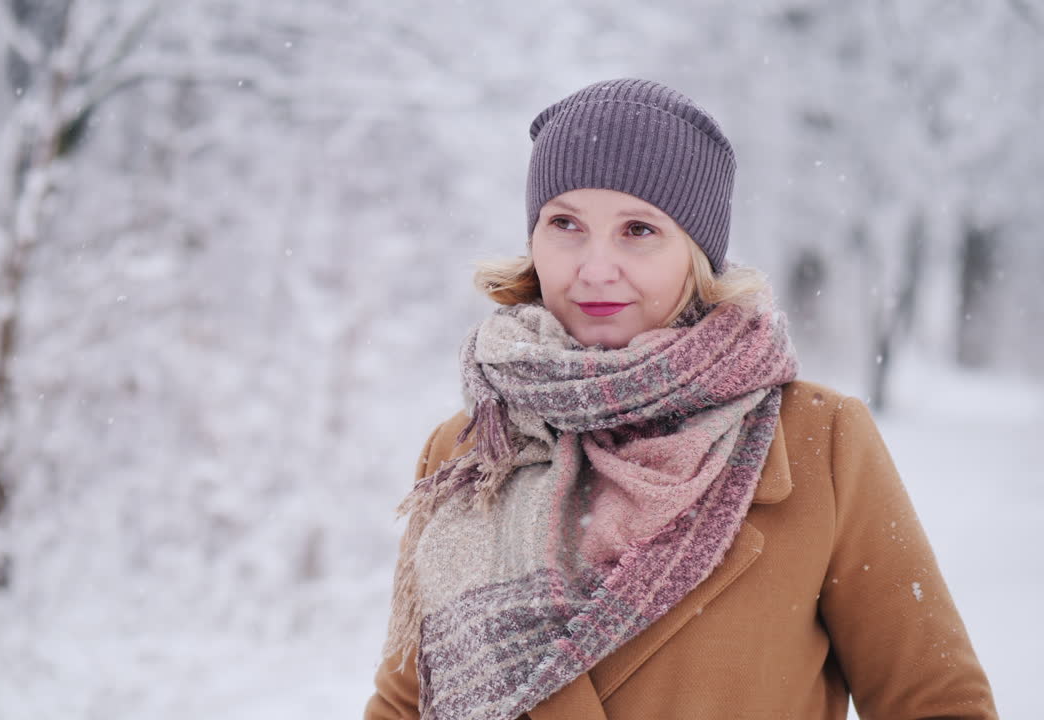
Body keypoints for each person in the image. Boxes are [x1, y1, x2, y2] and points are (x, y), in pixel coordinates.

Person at [364, 79, 996, 720]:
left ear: (696, 255)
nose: (595, 268)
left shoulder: (819, 441)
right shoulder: (473, 448)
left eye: (638, 229)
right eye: (565, 225)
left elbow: (935, 701)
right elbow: (404, 705)